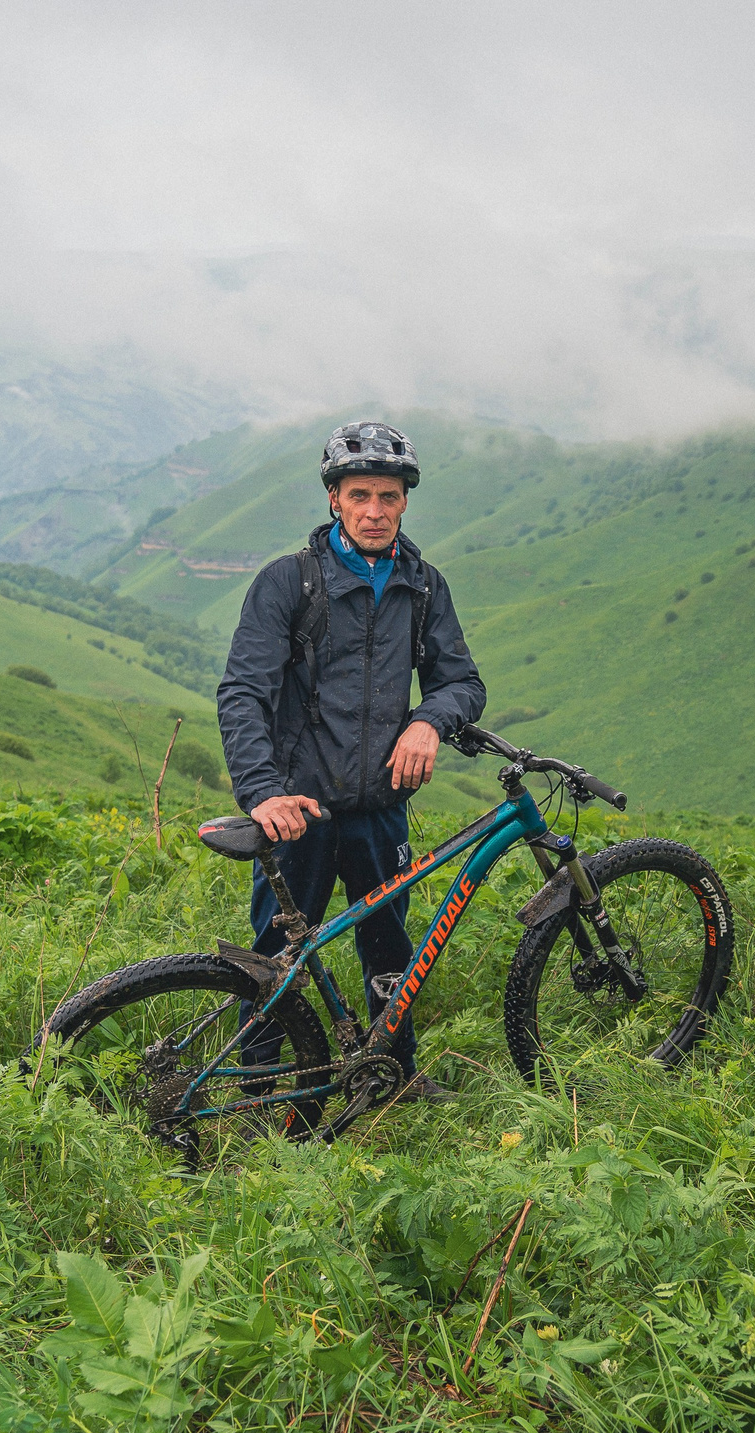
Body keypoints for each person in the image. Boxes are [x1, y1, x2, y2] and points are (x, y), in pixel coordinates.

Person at [213, 420, 486, 1100]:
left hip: (379, 809)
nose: (374, 510)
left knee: (390, 950)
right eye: (359, 494)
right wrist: (263, 792)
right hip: (297, 809)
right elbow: (243, 692)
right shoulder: (290, 583)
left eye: (388, 496)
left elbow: (462, 681)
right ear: (334, 498)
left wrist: (428, 721)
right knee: (276, 955)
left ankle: (391, 1076)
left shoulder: (423, 587)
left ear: (405, 501)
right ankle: (258, 1087)